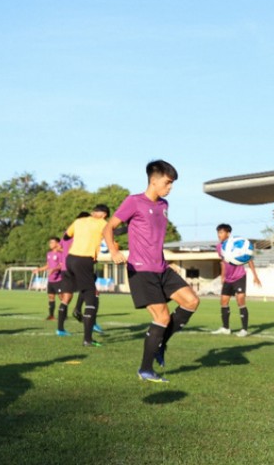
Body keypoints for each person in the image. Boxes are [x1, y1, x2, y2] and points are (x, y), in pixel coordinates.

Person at [103, 160, 200, 383]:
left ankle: (160, 343)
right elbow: (109, 227)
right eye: (167, 183)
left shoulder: (163, 205)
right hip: (142, 270)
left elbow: (153, 238)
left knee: (191, 301)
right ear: (154, 181)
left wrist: (166, 261)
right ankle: (145, 369)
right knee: (162, 316)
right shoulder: (133, 201)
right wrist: (113, 251)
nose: (170, 187)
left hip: (162, 268)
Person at [57, 206, 110, 347]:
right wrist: (129, 227)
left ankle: (64, 325)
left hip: (70, 260)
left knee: (79, 291)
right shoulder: (102, 223)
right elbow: (113, 232)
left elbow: (67, 236)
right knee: (92, 296)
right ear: (104, 214)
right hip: (84, 260)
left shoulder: (79, 221)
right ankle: (87, 339)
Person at [212, 223, 262, 337]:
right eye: (218, 233)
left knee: (240, 301)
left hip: (239, 276)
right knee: (223, 302)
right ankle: (226, 328)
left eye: (221, 232)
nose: (219, 235)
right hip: (228, 279)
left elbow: (248, 259)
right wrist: (223, 276)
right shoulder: (219, 247)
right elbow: (223, 262)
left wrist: (255, 275)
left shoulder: (237, 243)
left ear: (228, 233)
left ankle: (244, 330)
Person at [32, 237, 64, 320]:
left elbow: (61, 265)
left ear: (57, 243)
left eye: (52, 242)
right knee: (51, 297)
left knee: (62, 297)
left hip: (59, 279)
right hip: (50, 280)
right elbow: (48, 265)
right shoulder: (49, 254)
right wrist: (38, 269)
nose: (50, 244)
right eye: (49, 242)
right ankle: (51, 315)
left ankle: (63, 315)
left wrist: (54, 269)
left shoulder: (61, 254)